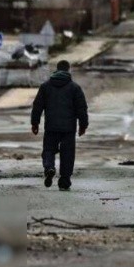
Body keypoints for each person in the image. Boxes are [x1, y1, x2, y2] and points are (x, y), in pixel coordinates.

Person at [31, 60, 89, 191]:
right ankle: (64, 181)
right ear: (68, 70)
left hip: (51, 126)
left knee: (48, 150)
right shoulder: (74, 88)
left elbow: (37, 106)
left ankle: (49, 167)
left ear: (56, 70)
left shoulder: (45, 86)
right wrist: (83, 125)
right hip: (69, 128)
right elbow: (81, 108)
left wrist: (35, 123)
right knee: (67, 154)